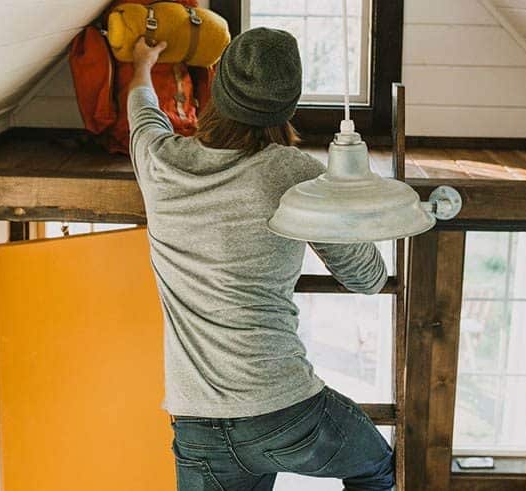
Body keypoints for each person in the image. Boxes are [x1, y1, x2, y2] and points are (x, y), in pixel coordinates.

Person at [128, 27, 395, 491]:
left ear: (216, 82)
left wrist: (142, 66)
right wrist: (344, 198)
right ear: (289, 106)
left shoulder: (158, 161)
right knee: (376, 469)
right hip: (286, 414)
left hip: (198, 424)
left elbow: (142, 110)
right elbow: (368, 279)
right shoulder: (295, 173)